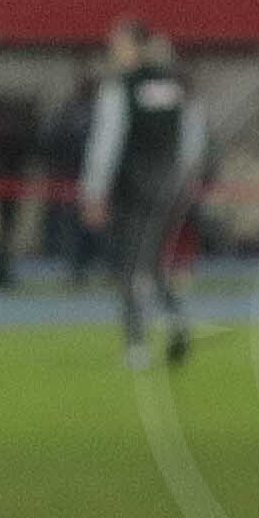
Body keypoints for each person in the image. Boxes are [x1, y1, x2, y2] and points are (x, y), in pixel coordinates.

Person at [88, 22, 206, 366]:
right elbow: (193, 138)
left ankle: (136, 345)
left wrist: (95, 190)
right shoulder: (177, 84)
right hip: (170, 185)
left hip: (133, 184)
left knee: (129, 267)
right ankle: (174, 322)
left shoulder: (120, 86)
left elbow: (106, 141)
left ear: (135, 47)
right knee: (152, 264)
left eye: (118, 44)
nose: (113, 50)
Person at [0, 71, 54, 290]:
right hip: (7, 177)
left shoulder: (0, 125)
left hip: (4, 176)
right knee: (5, 227)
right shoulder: (15, 126)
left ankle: (0, 267)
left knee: (4, 227)